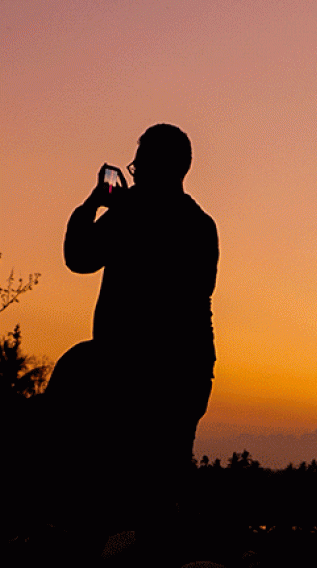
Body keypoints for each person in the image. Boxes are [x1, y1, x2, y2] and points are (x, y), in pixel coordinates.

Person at [61, 123, 218, 555]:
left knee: (115, 497)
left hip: (127, 378)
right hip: (187, 374)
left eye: (140, 161)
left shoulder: (130, 214)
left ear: (152, 165)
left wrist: (94, 203)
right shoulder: (202, 225)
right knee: (161, 495)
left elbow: (78, 257)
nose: (134, 170)